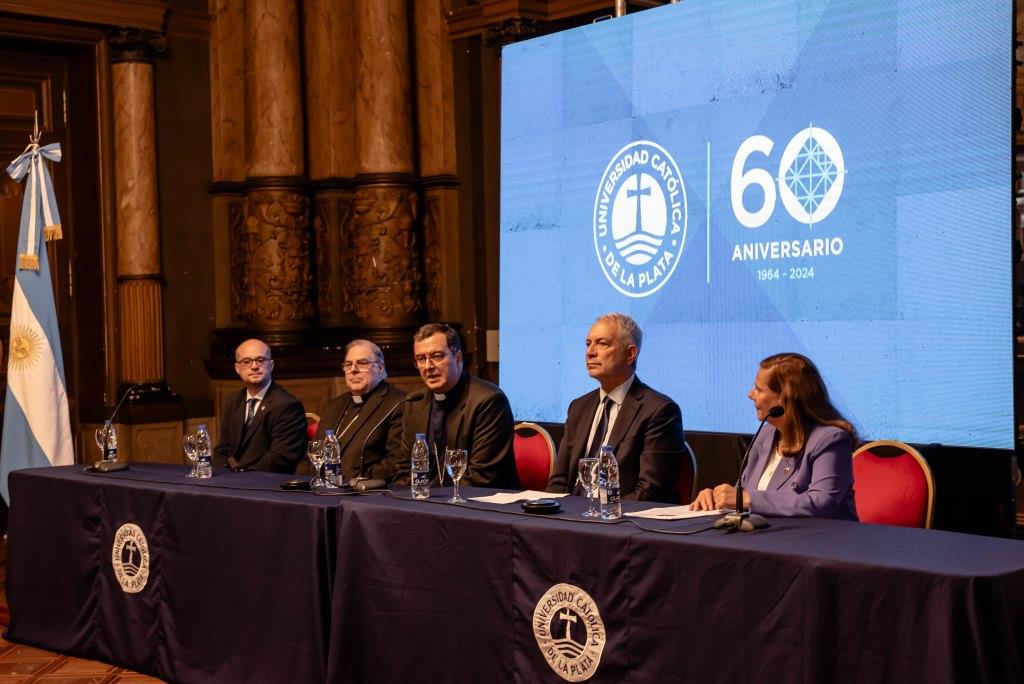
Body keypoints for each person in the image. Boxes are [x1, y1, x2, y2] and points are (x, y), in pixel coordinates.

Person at [690, 352, 858, 519]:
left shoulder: (830, 439)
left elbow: (821, 502)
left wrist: (747, 499)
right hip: (766, 538)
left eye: (758, 389)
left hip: (820, 541)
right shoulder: (766, 434)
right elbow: (741, 495)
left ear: (786, 397)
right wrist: (716, 498)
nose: (750, 395)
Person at [546, 313, 684, 502]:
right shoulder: (578, 407)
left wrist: (600, 516)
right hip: (572, 517)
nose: (590, 352)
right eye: (588, 343)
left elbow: (650, 492)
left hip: (620, 522)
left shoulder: (659, 411)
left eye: (602, 343)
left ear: (630, 354)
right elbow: (558, 483)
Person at [394, 323, 520, 489]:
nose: (428, 366)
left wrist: (434, 504)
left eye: (437, 356)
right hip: (427, 503)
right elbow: (405, 471)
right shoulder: (414, 402)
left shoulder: (488, 400)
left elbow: (481, 478)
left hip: (481, 505)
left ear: (458, 358)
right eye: (421, 358)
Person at [296, 339, 405, 482]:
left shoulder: (398, 403)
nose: (353, 369)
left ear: (380, 368)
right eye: (348, 364)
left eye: (362, 363)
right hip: (322, 490)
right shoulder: (333, 406)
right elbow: (312, 455)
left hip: (365, 493)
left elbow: (396, 461)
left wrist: (352, 479)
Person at [212, 338, 307, 473]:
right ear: (237, 368)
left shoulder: (288, 405)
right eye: (246, 362)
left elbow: (279, 459)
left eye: (261, 360)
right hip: (231, 481)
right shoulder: (232, 401)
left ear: (271, 365)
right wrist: (218, 478)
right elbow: (223, 450)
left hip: (265, 484)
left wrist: (241, 478)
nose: (254, 366)